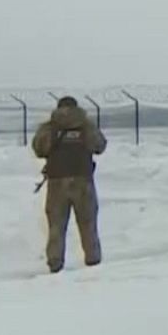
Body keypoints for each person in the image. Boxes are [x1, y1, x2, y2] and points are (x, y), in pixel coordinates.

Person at [31, 96, 108, 274]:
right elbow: (100, 146)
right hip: (83, 181)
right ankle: (93, 260)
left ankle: (55, 262)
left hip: (57, 182)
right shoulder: (86, 126)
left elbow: (39, 149)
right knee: (88, 223)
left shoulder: (50, 127)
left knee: (56, 225)